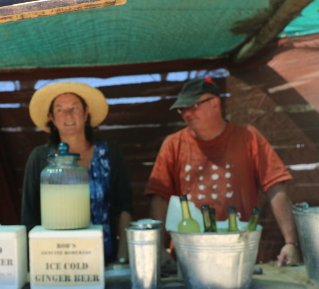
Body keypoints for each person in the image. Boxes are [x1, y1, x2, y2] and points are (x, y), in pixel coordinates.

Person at [146, 77, 301, 266]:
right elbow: (160, 198)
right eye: (182, 109)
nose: (186, 113)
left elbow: (275, 187)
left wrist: (290, 242)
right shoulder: (173, 144)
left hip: (241, 255)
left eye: (192, 106)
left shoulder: (248, 137)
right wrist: (158, 249)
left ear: (215, 103)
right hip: (189, 258)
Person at [21, 81, 134, 264]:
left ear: (86, 112)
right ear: (51, 117)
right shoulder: (40, 158)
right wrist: (34, 262)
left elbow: (124, 206)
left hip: (105, 257)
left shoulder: (110, 153)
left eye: (75, 108)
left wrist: (122, 256)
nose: (68, 114)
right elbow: (30, 215)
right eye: (60, 109)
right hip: (52, 260)